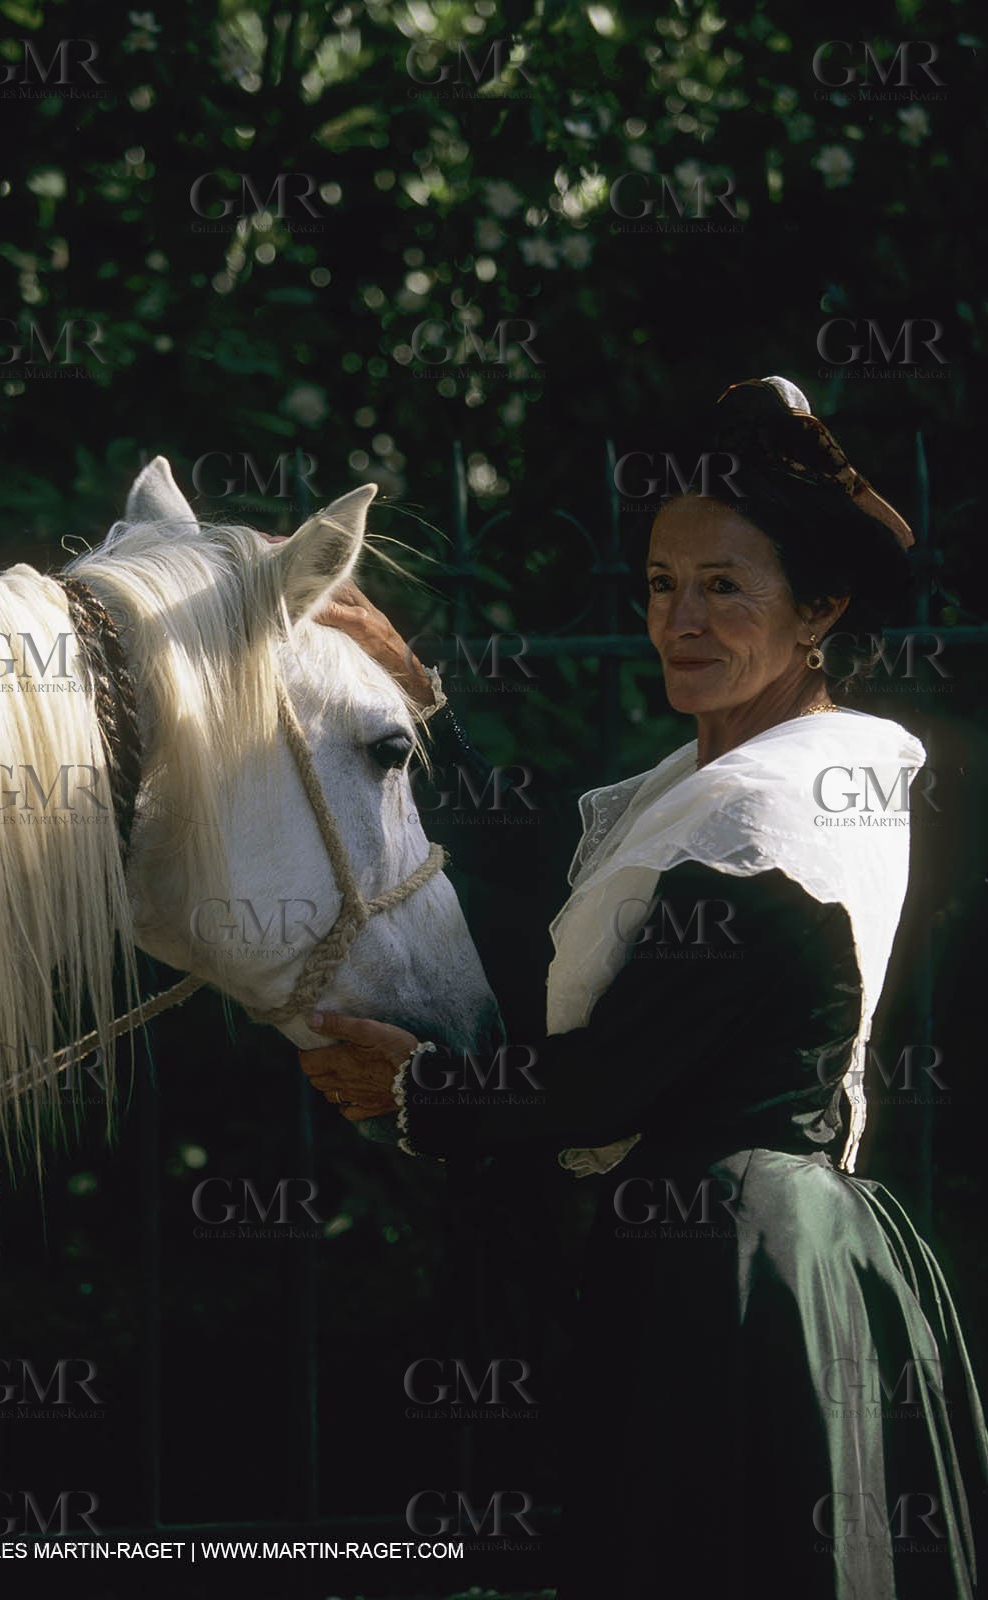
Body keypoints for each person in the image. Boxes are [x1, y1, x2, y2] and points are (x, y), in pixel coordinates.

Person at [299, 377, 988, 1598]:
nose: (681, 618)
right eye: (664, 583)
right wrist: (395, 683)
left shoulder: (779, 803)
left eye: (725, 586)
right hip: (692, 1256)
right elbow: (527, 912)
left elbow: (609, 1076)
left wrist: (421, 1095)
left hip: (734, 1264)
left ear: (816, 607)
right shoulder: (704, 783)